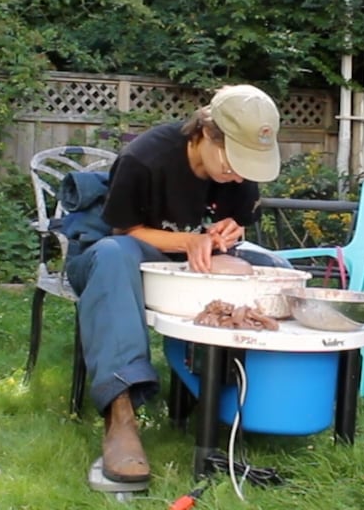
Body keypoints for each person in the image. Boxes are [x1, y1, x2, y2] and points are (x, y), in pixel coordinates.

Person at [64, 84, 282, 483]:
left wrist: (227, 232)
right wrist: (189, 240)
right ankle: (121, 413)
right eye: (233, 162)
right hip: (115, 258)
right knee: (114, 256)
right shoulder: (145, 158)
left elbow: (233, 230)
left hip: (185, 265)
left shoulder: (238, 175)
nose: (238, 175)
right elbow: (125, 231)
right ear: (206, 133)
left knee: (274, 266)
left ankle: (232, 400)